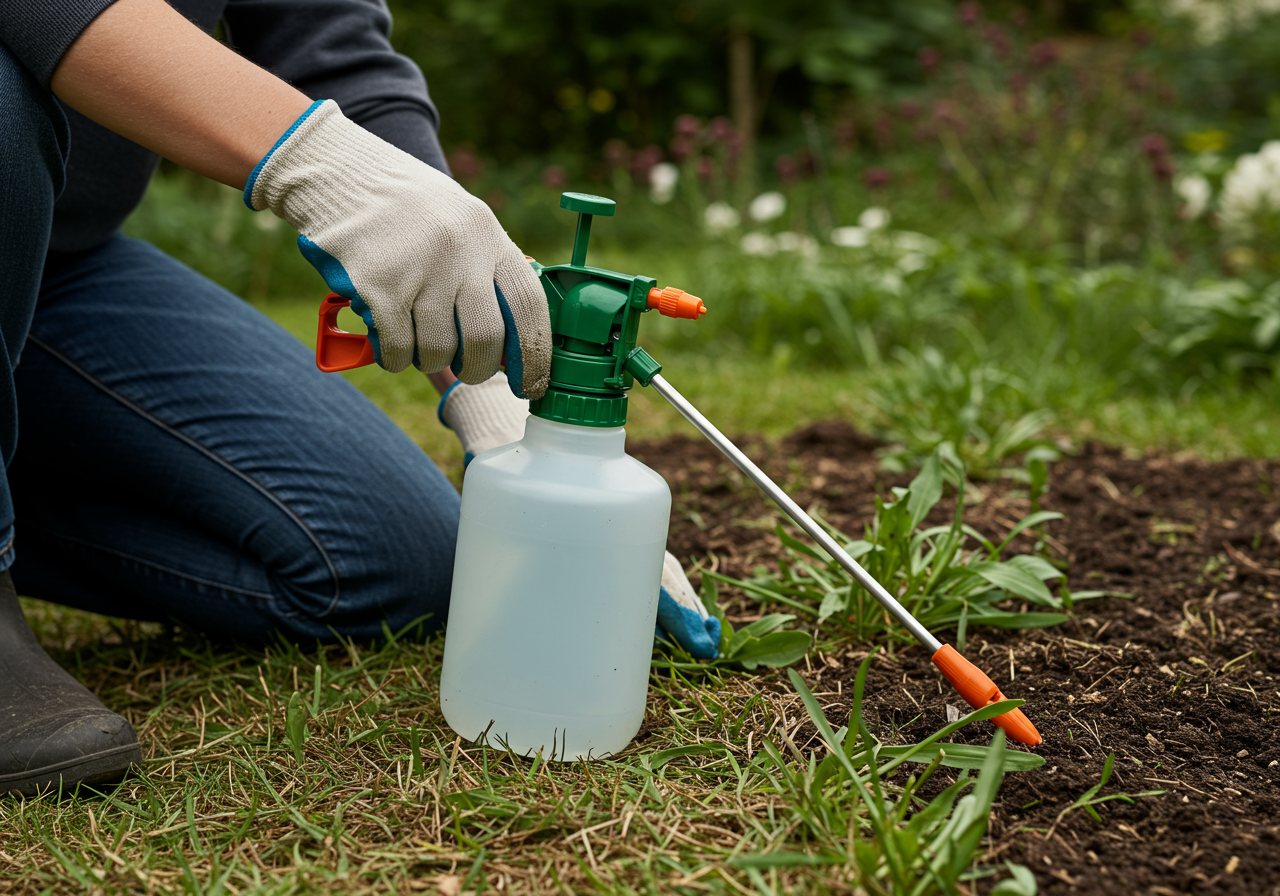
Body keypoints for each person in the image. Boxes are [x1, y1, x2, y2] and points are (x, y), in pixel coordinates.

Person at [0, 0, 719, 798]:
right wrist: (316, 161)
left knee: (389, 561)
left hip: (60, 265)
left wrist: (491, 392)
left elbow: (335, 54)